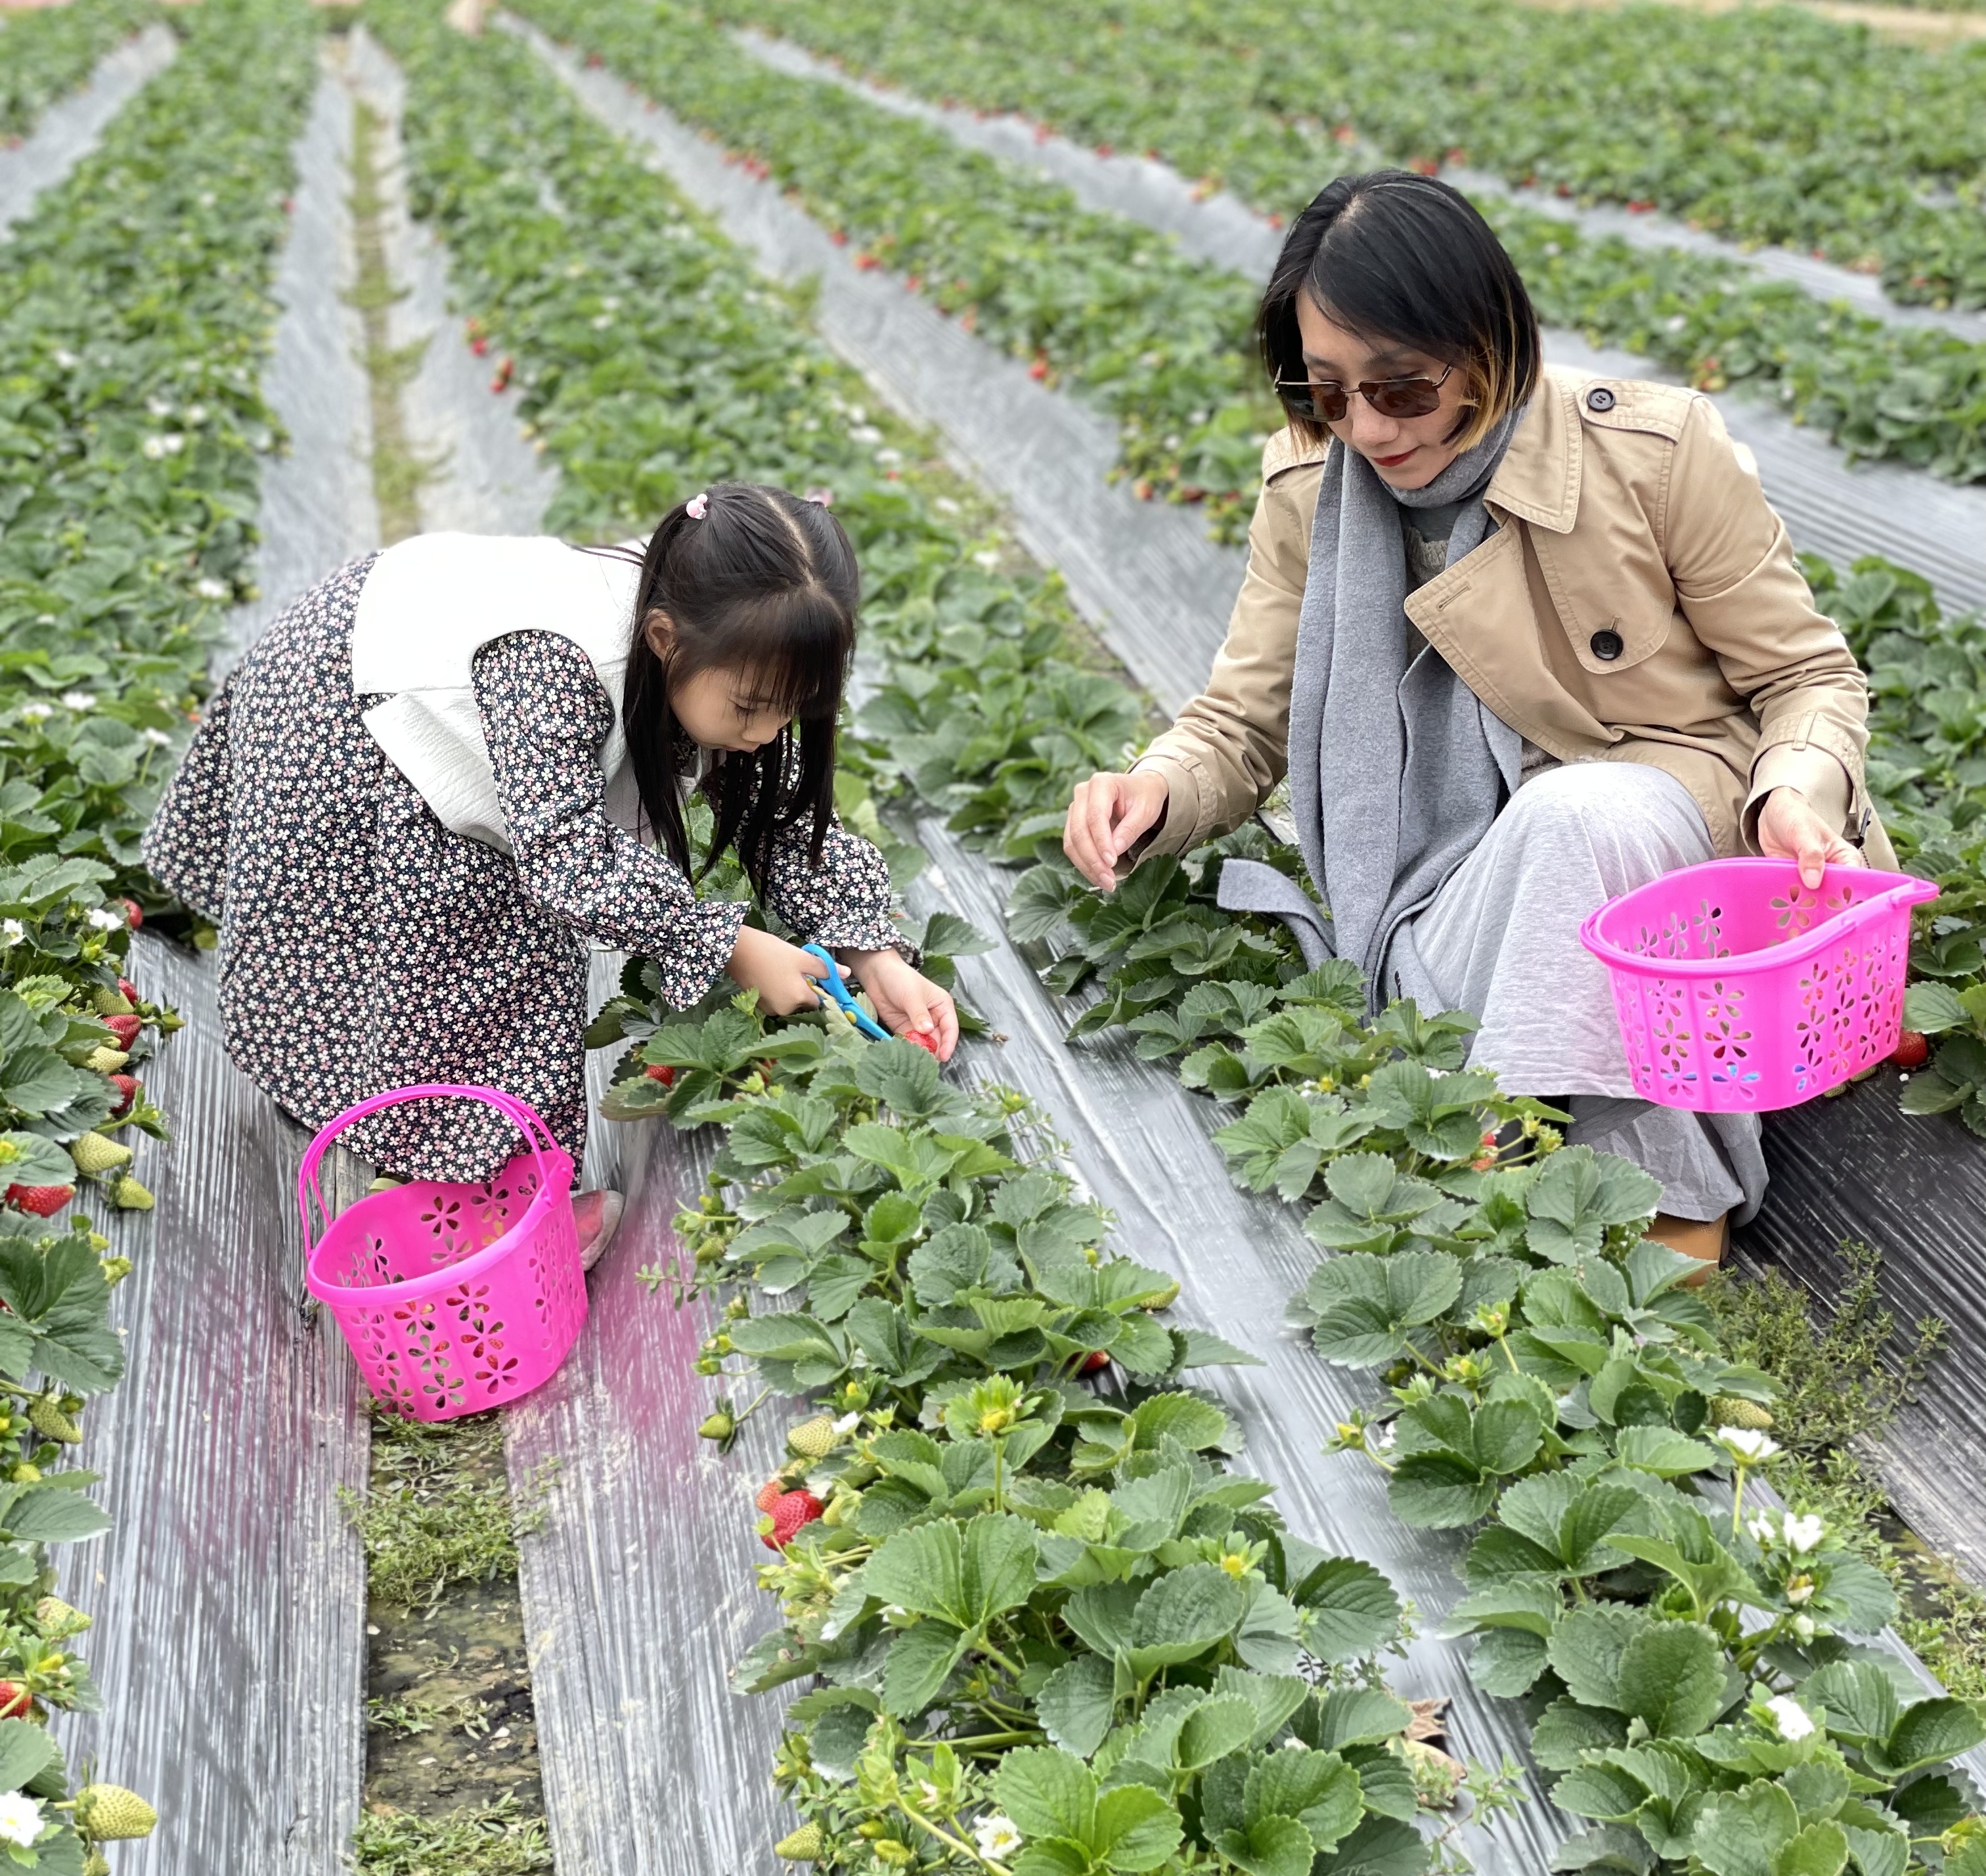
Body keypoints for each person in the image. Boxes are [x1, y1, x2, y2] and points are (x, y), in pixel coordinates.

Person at [1063, 173, 1889, 1270]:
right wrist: (1156, 788)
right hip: (1449, 896)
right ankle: (1537, 1197)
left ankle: (1613, 1196)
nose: (1363, 427)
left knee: (1575, 816)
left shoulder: (1650, 455)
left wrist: (1791, 789)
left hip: (1672, 889)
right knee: (1545, 840)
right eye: (1324, 392)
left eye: (1400, 390)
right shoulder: (1309, 487)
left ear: (1488, 341)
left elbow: (1806, 677)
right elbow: (1241, 717)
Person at [145, 483, 958, 1266]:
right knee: (480, 937)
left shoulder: (732, 629)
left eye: (794, 710)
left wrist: (869, 950)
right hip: (350, 696)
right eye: (750, 709)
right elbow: (565, 861)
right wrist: (728, 943)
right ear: (666, 640)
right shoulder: (562, 666)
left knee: (511, 919)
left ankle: (466, 1155)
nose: (769, 731)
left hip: (428, 648)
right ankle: (477, 1192)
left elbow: (777, 807)